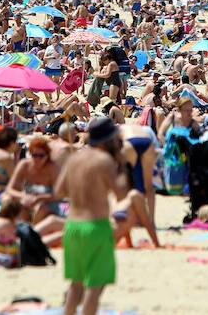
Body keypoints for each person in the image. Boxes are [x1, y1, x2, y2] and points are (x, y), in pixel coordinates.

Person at [54, 118, 128, 315]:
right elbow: (121, 194)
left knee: (75, 285)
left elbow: (60, 191)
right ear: (107, 140)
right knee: (94, 286)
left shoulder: (74, 159)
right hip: (96, 227)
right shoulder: (105, 161)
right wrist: (121, 162)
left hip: (72, 227)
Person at [4, 137, 59, 224]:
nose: (37, 159)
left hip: (46, 201)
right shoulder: (24, 165)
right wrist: (23, 196)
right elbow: (9, 189)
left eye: (41, 156)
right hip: (27, 198)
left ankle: (34, 232)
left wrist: (38, 198)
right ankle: (22, 229)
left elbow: (59, 193)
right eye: (34, 155)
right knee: (7, 200)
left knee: (41, 208)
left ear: (47, 155)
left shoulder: (52, 168)